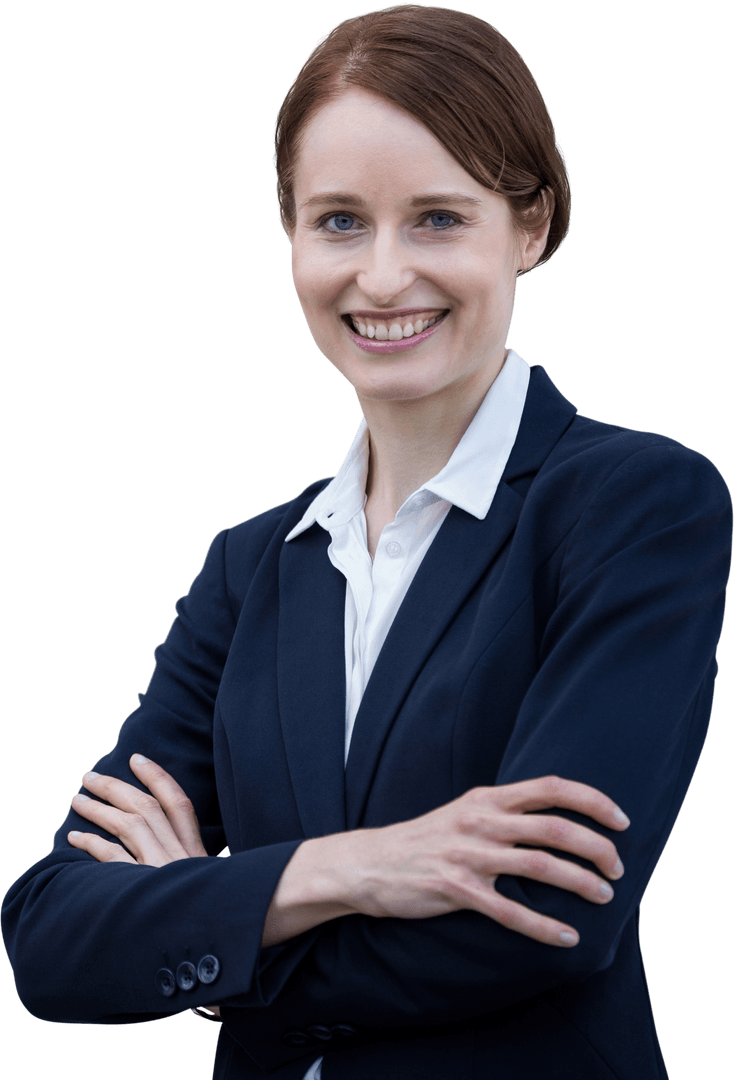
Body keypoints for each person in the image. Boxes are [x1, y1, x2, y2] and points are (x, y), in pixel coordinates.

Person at [2, 4, 731, 1079]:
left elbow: (543, 913)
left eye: (436, 218)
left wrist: (216, 929)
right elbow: (52, 937)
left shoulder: (632, 506)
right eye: (338, 220)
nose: (382, 278)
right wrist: (352, 868)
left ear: (527, 227)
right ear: (289, 236)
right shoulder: (248, 569)